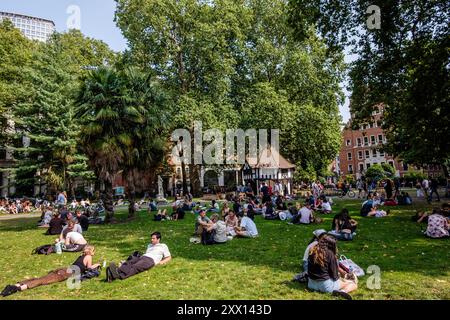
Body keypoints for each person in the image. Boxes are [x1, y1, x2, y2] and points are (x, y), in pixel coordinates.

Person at [1, 245, 100, 297]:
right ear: (91, 251)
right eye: (94, 251)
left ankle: (17, 285)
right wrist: (97, 264)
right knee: (43, 281)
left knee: (41, 278)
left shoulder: (81, 255)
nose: (94, 253)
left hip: (64, 269)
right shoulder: (88, 256)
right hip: (66, 273)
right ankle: (17, 288)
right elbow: (89, 268)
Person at [307, 235, 357, 300]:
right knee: (353, 284)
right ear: (332, 245)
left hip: (311, 284)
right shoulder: (330, 254)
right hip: (325, 286)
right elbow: (334, 276)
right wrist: (343, 279)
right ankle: (343, 291)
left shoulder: (312, 251)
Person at [106, 232, 171, 281]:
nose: (151, 240)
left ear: (158, 239)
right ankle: (116, 271)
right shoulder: (149, 245)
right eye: (151, 238)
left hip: (150, 260)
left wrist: (161, 262)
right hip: (143, 257)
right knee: (130, 262)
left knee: (136, 266)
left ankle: (119, 276)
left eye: (153, 238)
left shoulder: (163, 246)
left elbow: (169, 257)